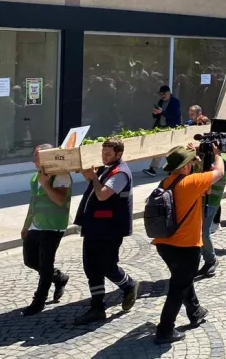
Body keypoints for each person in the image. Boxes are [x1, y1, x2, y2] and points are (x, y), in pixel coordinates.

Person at [150, 145, 224, 344]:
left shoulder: (165, 182)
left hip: (164, 244)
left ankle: (195, 311)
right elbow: (219, 172)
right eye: (190, 162)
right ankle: (165, 329)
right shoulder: (191, 183)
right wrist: (217, 155)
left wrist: (198, 163)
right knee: (178, 287)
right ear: (184, 167)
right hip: (187, 246)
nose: (192, 165)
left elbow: (203, 186)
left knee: (182, 278)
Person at [73, 139, 140, 325]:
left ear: (119, 154)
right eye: (103, 153)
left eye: (108, 154)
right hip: (94, 226)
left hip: (110, 229)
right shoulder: (106, 169)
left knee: (107, 266)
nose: (104, 156)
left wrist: (93, 178)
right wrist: (90, 176)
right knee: (91, 267)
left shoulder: (121, 173)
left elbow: (102, 194)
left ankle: (129, 285)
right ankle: (97, 307)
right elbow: (98, 187)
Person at [20, 144, 71, 316]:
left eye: (38, 156)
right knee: (30, 260)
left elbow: (60, 200)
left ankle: (39, 301)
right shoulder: (36, 177)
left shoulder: (61, 175)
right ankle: (59, 277)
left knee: (45, 263)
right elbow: (33, 202)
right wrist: (26, 224)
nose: (34, 159)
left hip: (53, 226)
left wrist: (46, 184)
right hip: (36, 224)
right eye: (34, 155)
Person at [197, 146, 226, 279]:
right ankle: (206, 258)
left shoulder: (223, 159)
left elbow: (213, 173)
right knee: (199, 231)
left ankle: (211, 260)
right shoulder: (209, 157)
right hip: (202, 199)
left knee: (203, 231)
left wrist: (215, 154)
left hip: (211, 201)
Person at [145, 85, 182, 177]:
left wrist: (162, 112)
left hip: (171, 127)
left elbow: (174, 116)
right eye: (161, 94)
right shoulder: (161, 102)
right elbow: (158, 116)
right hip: (161, 127)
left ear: (169, 92)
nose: (162, 96)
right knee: (159, 147)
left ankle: (172, 168)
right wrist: (155, 113)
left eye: (164, 94)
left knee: (171, 149)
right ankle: (153, 169)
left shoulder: (175, 102)